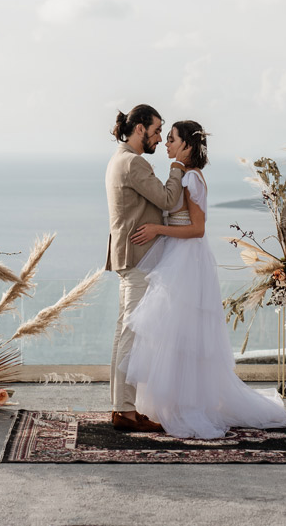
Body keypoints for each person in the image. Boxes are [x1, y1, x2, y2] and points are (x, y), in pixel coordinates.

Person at [124, 120, 286, 439]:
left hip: (187, 260)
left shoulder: (192, 179)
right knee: (172, 334)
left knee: (185, 333)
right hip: (176, 258)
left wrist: (158, 229)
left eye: (172, 140)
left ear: (187, 144)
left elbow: (197, 229)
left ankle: (189, 407)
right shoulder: (183, 176)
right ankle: (171, 404)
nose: (168, 145)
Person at [105, 104, 190, 432]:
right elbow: (168, 200)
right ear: (139, 128)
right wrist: (178, 167)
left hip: (128, 256)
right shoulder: (134, 163)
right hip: (138, 259)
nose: (158, 138)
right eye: (156, 131)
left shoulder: (118, 159)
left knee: (123, 332)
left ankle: (121, 407)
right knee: (131, 332)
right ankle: (125, 412)